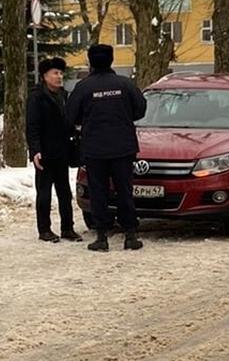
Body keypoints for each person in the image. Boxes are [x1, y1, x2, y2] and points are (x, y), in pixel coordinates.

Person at [65, 43, 147, 252]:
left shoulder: (83, 87)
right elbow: (140, 111)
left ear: (90, 61)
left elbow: (70, 116)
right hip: (123, 147)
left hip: (95, 149)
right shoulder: (125, 84)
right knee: (125, 190)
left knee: (98, 192)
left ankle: (101, 236)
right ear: (111, 60)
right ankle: (130, 235)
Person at [26, 57, 83, 243]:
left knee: (64, 192)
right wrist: (35, 150)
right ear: (45, 76)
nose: (59, 77)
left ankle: (68, 228)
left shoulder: (65, 96)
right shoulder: (36, 97)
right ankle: (44, 230)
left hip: (62, 151)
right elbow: (32, 126)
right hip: (44, 153)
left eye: (61, 73)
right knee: (44, 193)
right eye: (55, 73)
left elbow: (69, 122)